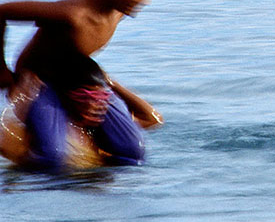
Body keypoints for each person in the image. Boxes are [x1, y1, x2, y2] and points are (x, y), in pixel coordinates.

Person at [0, 0, 163, 167]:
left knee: (133, 152)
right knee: (52, 158)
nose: (143, 0)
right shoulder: (74, 15)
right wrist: (2, 71)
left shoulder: (119, 11)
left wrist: (108, 83)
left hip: (77, 78)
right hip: (40, 80)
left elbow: (153, 119)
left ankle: (94, 169)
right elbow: (2, 12)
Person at [1, 53, 160, 170]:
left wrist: (111, 83)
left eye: (102, 97)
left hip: (99, 192)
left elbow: (152, 119)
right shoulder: (33, 131)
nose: (96, 104)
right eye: (85, 96)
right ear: (65, 96)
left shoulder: (98, 133)